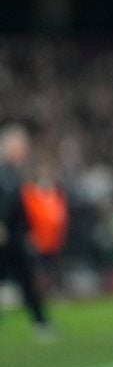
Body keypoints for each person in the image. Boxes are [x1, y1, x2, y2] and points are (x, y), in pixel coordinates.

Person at [0, 122, 54, 339]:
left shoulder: (13, 173)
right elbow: (8, 203)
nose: (24, 151)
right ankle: (41, 322)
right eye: (21, 147)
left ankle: (41, 321)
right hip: (7, 236)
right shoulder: (5, 173)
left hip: (14, 236)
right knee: (25, 278)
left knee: (25, 278)